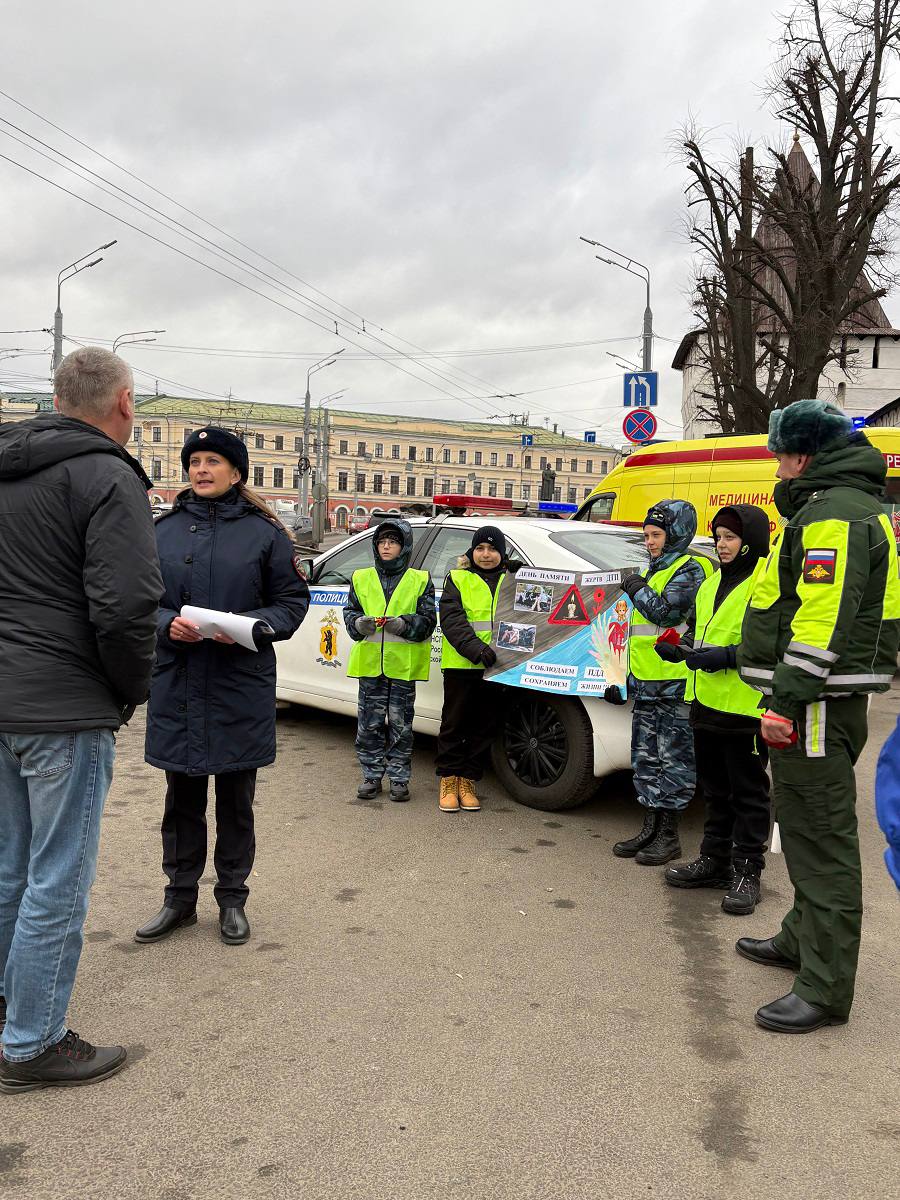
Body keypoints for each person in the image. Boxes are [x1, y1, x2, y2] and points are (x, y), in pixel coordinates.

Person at [0, 347, 161, 1092]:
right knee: (57, 877)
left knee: (10, 867)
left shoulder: (8, 466)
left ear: (58, 397)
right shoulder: (106, 474)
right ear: (124, 402)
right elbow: (126, 606)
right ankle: (32, 1043)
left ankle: (11, 1009)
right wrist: (127, 691)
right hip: (63, 705)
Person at [736, 399, 900, 1033]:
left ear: (804, 455)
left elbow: (823, 616)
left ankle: (826, 987)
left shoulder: (834, 514)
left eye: (781, 455)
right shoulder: (837, 506)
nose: (776, 467)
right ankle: (800, 937)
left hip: (816, 703)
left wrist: (786, 700)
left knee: (821, 837)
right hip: (820, 698)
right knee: (803, 828)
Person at [136, 427, 309, 948]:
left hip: (238, 685)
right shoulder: (162, 531)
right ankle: (179, 899)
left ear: (236, 472)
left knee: (236, 802)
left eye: (213, 461)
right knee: (181, 801)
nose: (202, 469)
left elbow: (291, 602)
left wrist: (253, 627)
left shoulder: (265, 534)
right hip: (180, 681)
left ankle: (232, 898)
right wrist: (166, 623)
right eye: (195, 461)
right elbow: (139, 600)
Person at [655, 505, 771, 914]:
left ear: (749, 541)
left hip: (745, 707)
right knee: (716, 791)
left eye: (730, 537)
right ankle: (715, 860)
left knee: (749, 795)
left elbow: (771, 644)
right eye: (719, 536)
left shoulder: (766, 583)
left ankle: (747, 872)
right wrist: (679, 649)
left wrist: (725, 657)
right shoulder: (712, 582)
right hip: (705, 703)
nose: (721, 544)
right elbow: (698, 631)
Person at [604, 499, 712, 865]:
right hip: (647, 682)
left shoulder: (690, 569)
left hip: (674, 684)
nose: (649, 542)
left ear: (676, 534)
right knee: (645, 759)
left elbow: (666, 613)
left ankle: (669, 836)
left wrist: (635, 587)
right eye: (647, 535)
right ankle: (650, 827)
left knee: (674, 762)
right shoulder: (654, 570)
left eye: (656, 535)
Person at [343, 519, 436, 802]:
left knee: (401, 726)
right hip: (370, 666)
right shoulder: (360, 577)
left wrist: (404, 624)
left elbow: (428, 621)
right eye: (382, 542)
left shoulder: (420, 579)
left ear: (404, 547)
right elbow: (350, 613)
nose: (386, 546)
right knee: (368, 725)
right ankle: (371, 776)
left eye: (393, 542)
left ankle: (399, 778)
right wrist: (357, 624)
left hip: (402, 667)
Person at [435, 526, 516, 813]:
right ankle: (449, 779)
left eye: (493, 549)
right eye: (480, 548)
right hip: (463, 665)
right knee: (455, 724)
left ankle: (468, 780)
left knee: (484, 726)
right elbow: (452, 620)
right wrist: (476, 649)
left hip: (498, 667)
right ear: (472, 552)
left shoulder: (513, 580)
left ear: (502, 553)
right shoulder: (457, 578)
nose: (486, 554)